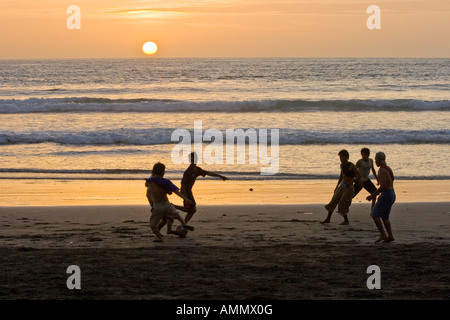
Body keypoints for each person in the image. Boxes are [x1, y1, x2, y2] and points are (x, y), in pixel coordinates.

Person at [158, 152, 227, 232]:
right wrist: (184, 195)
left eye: (196, 158)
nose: (194, 160)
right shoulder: (188, 171)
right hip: (186, 192)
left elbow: (208, 173)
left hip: (189, 192)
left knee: (192, 210)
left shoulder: (197, 169)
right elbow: (182, 183)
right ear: (190, 160)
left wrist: (219, 176)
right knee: (191, 210)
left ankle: (181, 222)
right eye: (192, 158)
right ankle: (176, 211)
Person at [145, 162, 194, 242]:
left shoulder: (150, 181)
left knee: (153, 225)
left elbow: (147, 191)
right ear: (163, 172)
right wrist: (185, 199)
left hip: (157, 206)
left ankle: (159, 237)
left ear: (153, 171)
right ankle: (183, 224)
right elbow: (175, 191)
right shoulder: (166, 182)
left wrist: (152, 205)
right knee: (176, 216)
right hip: (167, 204)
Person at [321, 149, 361, 225]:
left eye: (342, 157)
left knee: (342, 203)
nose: (340, 159)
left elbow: (359, 176)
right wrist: (336, 186)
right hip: (342, 185)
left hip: (349, 188)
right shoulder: (342, 165)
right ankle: (328, 218)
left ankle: (346, 220)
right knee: (333, 201)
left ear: (346, 157)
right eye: (340, 157)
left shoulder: (351, 166)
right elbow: (341, 176)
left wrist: (352, 182)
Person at [367, 152, 396, 243]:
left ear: (380, 159)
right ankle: (390, 236)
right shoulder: (387, 168)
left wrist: (373, 195)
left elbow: (383, 186)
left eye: (376, 159)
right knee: (384, 217)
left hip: (387, 194)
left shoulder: (382, 170)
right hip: (391, 193)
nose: (375, 161)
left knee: (374, 214)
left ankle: (383, 234)